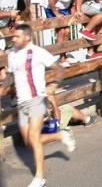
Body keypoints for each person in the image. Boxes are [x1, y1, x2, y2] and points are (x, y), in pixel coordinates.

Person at [0, 25, 76, 187]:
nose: (13, 39)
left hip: (37, 99)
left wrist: (53, 87)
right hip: (22, 102)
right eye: (13, 36)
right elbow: (11, 76)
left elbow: (58, 69)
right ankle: (60, 135)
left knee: (34, 138)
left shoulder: (37, 52)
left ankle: (40, 177)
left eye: (17, 36)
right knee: (29, 141)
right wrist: (3, 89)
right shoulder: (12, 54)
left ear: (27, 38)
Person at [45, 0, 80, 66]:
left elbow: (73, 0)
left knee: (67, 31)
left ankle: (66, 54)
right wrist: (56, 13)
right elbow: (51, 1)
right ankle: (61, 59)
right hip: (53, 9)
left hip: (64, 9)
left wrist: (74, 10)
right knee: (61, 32)